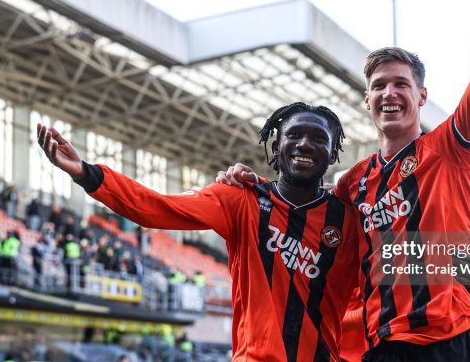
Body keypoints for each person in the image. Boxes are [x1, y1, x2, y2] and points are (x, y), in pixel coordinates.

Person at [217, 0, 470, 360]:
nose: (389, 93)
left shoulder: (450, 149)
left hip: (445, 340)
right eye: (379, 86)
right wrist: (257, 185)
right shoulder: (353, 183)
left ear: (421, 96)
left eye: (401, 84)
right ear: (367, 99)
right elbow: (304, 200)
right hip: (384, 345)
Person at [37, 102, 362, 361]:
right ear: (277, 146)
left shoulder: (352, 220)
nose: (304, 143)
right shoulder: (242, 198)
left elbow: (397, 287)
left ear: (333, 154)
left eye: (319, 138)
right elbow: (155, 207)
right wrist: (87, 174)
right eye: (294, 135)